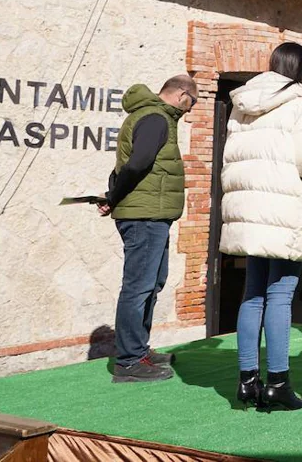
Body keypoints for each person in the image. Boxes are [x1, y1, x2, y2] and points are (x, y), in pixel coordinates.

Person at [219, 42, 302, 410]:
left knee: (253, 292)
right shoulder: (299, 104)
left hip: (248, 208)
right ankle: (278, 382)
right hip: (284, 205)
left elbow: (231, 156)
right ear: (301, 70)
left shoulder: (241, 104)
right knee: (280, 294)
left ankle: (248, 381)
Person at [101, 75, 197, 383]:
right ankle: (129, 361)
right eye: (192, 103)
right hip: (144, 218)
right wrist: (115, 196)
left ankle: (139, 350)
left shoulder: (152, 117)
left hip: (151, 216)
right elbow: (139, 163)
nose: (191, 110)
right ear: (182, 95)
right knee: (138, 287)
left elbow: (127, 164)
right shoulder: (156, 118)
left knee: (152, 283)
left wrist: (111, 193)